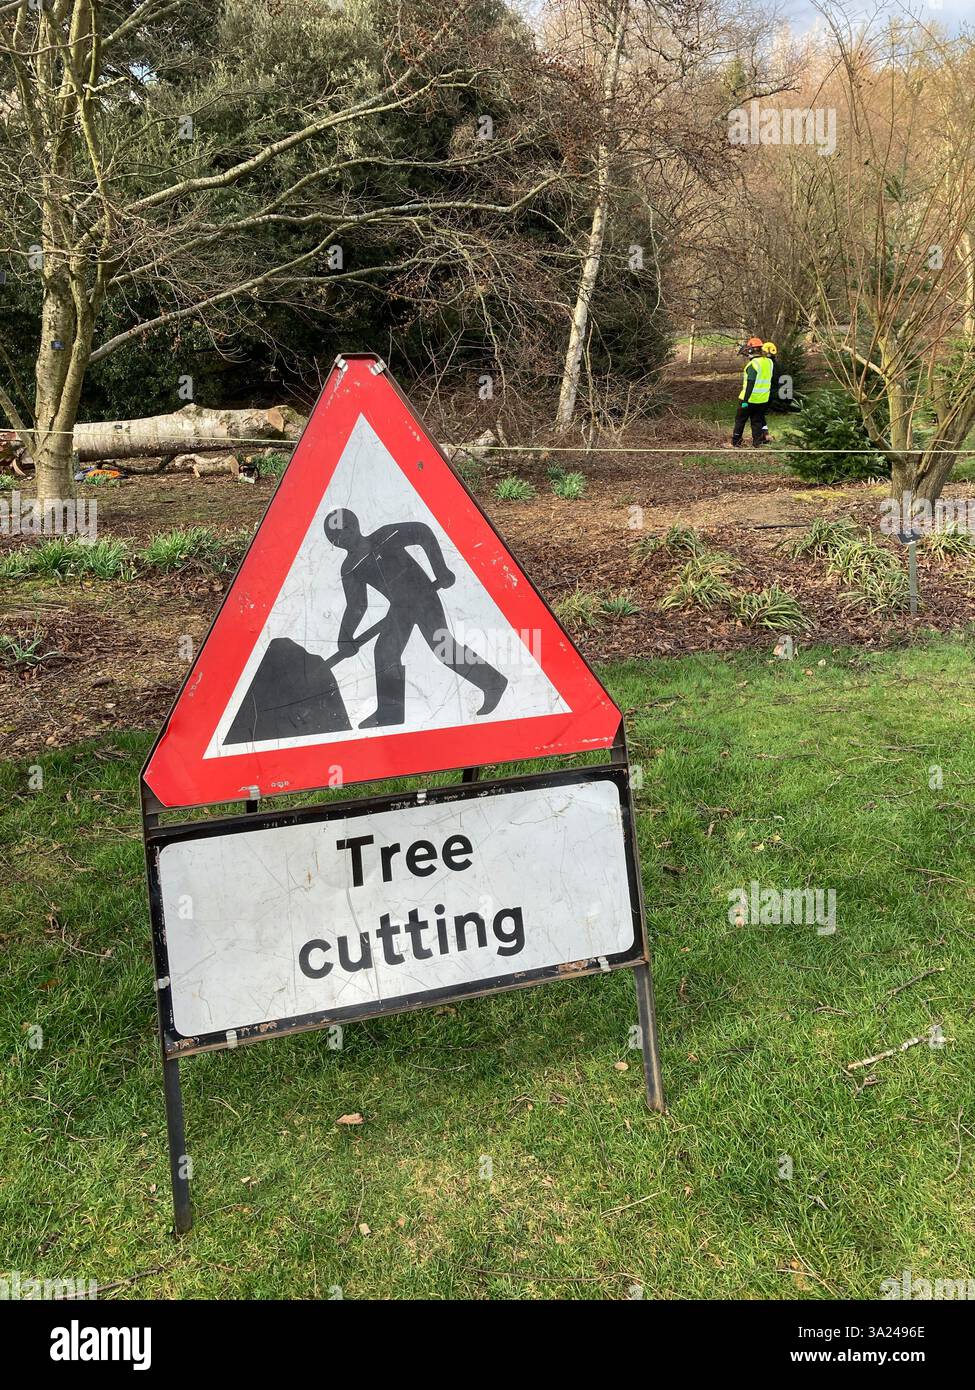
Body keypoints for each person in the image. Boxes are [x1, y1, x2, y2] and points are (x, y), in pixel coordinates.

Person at [323, 508, 507, 728]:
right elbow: (357, 605)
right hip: (399, 608)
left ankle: (493, 682)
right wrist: (345, 637)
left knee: (443, 647)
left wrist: (440, 570)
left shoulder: (383, 536)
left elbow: (422, 532)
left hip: (422, 595)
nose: (340, 539)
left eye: (343, 531)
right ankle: (389, 714)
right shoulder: (349, 568)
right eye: (334, 538)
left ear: (354, 525)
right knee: (384, 653)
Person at [732, 337, 773, 447]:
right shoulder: (769, 362)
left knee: (740, 420)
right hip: (763, 399)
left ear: (751, 350)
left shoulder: (753, 365)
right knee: (757, 421)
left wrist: (745, 400)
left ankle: (736, 442)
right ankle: (757, 442)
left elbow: (751, 382)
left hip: (749, 399)